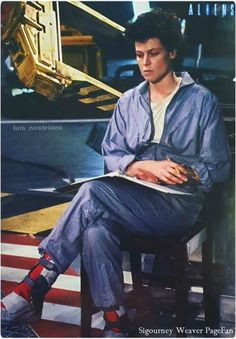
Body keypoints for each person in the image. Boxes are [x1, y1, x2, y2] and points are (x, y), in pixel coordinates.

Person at [1, 8, 230, 337]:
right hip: (131, 197)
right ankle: (115, 321)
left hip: (178, 206)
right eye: (139, 55)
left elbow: (217, 167)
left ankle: (35, 284)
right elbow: (112, 155)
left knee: (92, 194)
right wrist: (140, 166)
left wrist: (184, 172)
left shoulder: (200, 101)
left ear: (172, 52)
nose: (145, 63)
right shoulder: (128, 101)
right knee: (95, 231)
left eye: (153, 54)